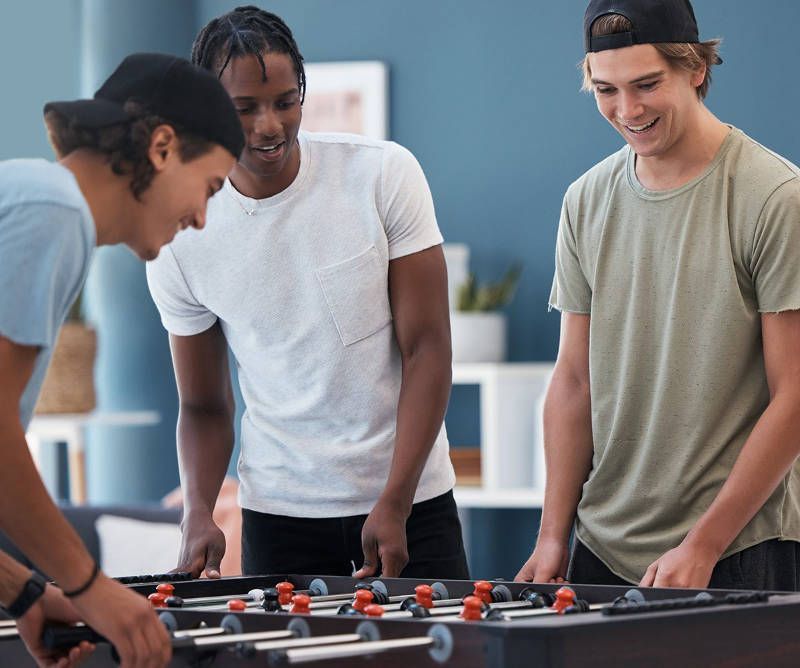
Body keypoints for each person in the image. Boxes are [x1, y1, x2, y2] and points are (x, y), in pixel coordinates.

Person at [146, 6, 469, 581]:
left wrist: (394, 500)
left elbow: (428, 350)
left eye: (285, 101)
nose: (269, 126)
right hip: (279, 518)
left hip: (411, 505)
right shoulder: (179, 233)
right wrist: (197, 512)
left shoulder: (381, 175)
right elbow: (202, 405)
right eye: (243, 109)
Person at [516, 0, 800, 590]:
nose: (628, 110)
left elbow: (794, 396)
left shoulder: (774, 196)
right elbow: (573, 381)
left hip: (740, 544)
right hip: (602, 546)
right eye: (606, 90)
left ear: (696, 67)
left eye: (647, 84)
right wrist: (551, 537)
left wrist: (704, 545)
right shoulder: (585, 200)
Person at [0, 52, 243, 667]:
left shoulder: (38, 203)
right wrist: (90, 588)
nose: (200, 217)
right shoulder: (53, 212)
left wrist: (24, 591)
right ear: (161, 147)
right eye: (209, 187)